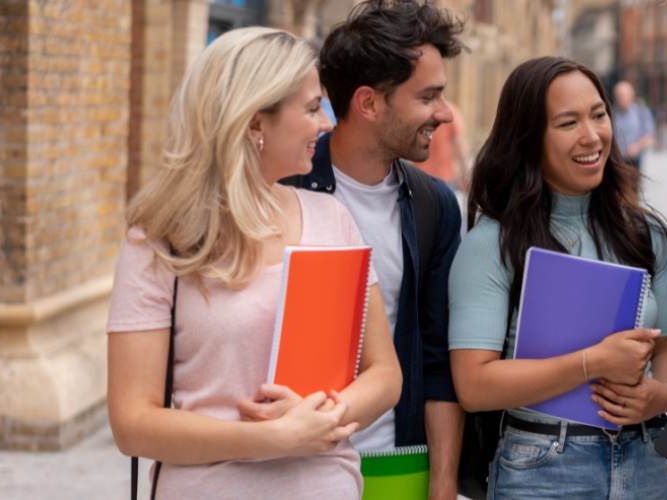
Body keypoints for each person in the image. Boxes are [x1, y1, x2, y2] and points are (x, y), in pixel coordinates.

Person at [107, 27, 402, 499]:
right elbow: (131, 424)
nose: (327, 123)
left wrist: (322, 415)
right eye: (311, 108)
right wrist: (270, 438)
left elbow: (385, 374)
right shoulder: (162, 240)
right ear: (254, 123)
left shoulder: (333, 221)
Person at [449, 57, 667, 500]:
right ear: (529, 139)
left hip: (644, 460)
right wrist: (591, 363)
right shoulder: (493, 243)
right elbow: (473, 385)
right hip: (543, 466)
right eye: (567, 123)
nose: (592, 135)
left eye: (599, 115)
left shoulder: (645, 233)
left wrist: (659, 395)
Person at [278, 1, 467, 498]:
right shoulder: (282, 187)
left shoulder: (435, 206)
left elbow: (437, 359)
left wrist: (442, 483)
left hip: (391, 467)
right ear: (368, 103)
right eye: (429, 97)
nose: (444, 114)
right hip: (285, 464)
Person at [415, 100, 470, 189]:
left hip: (420, 177)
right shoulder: (450, 111)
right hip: (445, 178)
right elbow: (460, 146)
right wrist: (466, 174)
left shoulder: (418, 112)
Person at [613, 81, 655, 171]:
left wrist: (636, 147)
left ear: (631, 95)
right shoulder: (611, 113)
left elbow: (650, 137)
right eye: (617, 95)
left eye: (623, 95)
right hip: (616, 161)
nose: (620, 98)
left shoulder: (641, 112)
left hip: (633, 161)